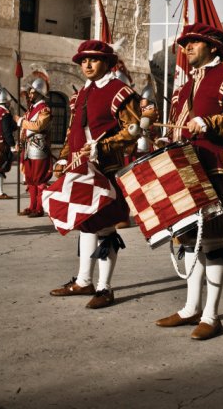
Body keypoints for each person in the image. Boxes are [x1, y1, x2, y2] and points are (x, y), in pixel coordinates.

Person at [154, 23, 223, 340]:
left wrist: (211, 123)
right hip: (184, 169)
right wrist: (168, 140)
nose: (187, 48)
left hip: (214, 169)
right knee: (189, 242)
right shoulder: (185, 87)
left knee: (212, 242)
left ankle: (212, 316)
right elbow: (182, 126)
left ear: (213, 47)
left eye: (194, 43)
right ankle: (190, 309)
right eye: (185, 44)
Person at [48, 40, 145, 309]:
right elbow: (72, 132)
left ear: (107, 62)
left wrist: (102, 145)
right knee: (85, 223)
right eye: (83, 61)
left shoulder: (120, 92)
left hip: (106, 170)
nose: (86, 65)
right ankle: (83, 281)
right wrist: (63, 160)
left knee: (105, 228)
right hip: (80, 168)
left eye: (93, 60)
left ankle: (105, 288)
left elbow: (133, 131)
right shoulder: (81, 94)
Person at [17, 69, 53, 218]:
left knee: (39, 180)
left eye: (32, 92)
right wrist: (19, 142)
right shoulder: (30, 110)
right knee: (30, 179)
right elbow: (24, 129)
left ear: (39, 93)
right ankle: (31, 206)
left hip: (39, 147)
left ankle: (39, 208)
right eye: (30, 92)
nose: (30, 95)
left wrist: (21, 121)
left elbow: (38, 126)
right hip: (29, 147)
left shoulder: (44, 109)